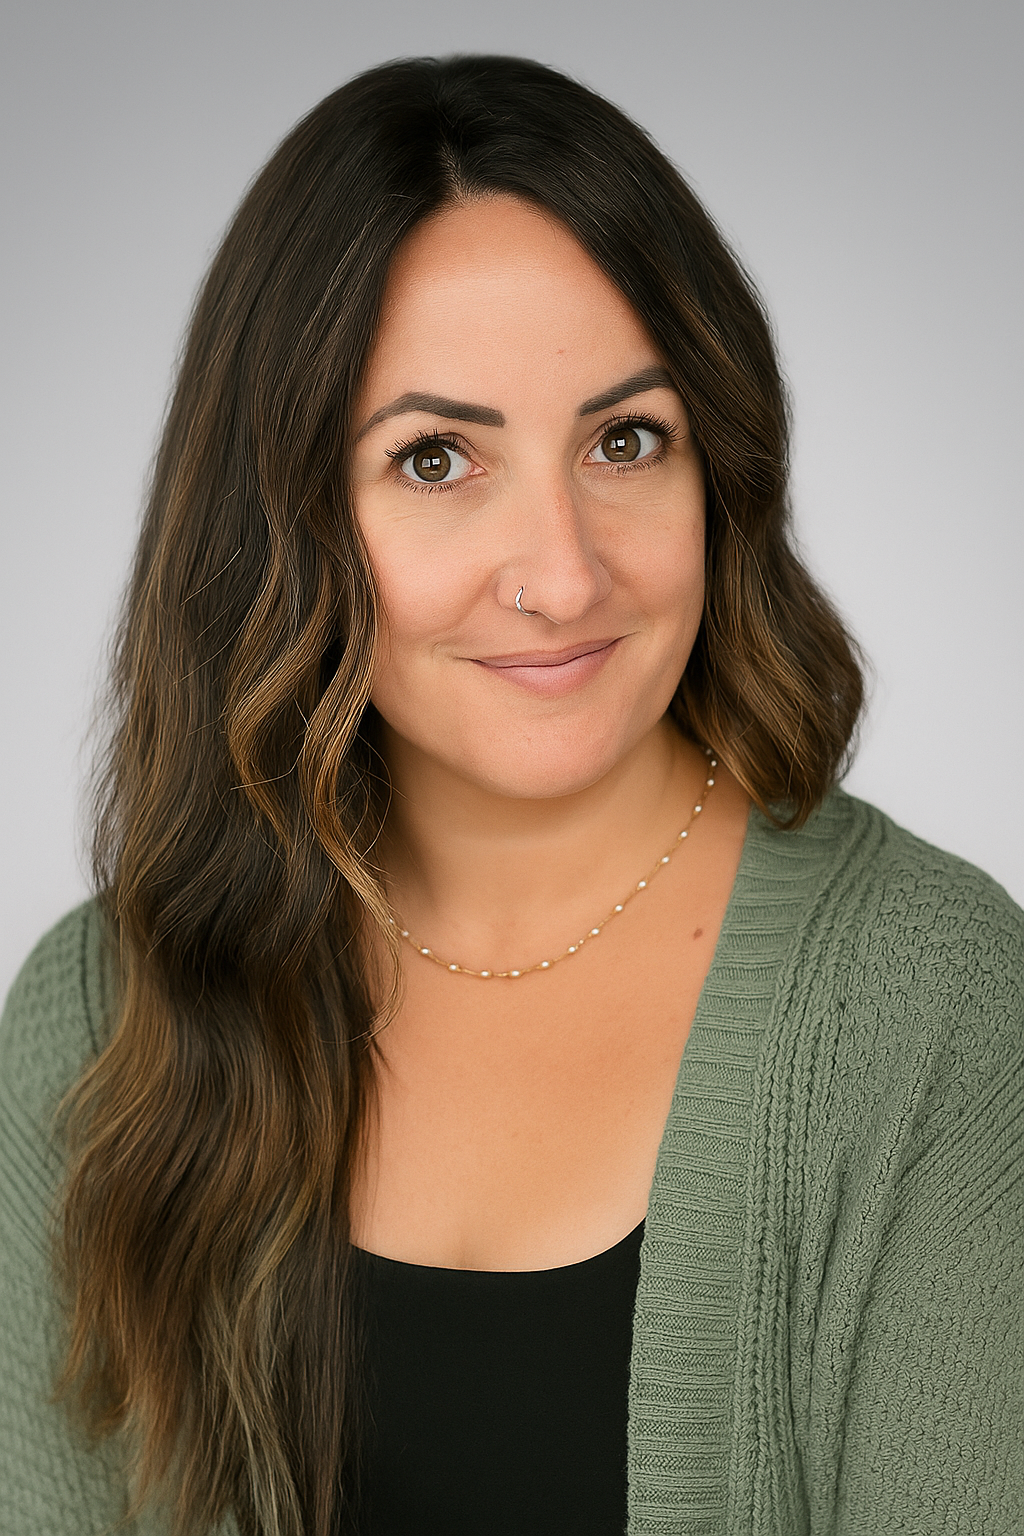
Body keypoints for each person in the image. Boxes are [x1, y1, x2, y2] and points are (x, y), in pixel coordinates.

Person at [0, 51, 1021, 1536]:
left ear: (720, 468)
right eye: (435, 459)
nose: (564, 574)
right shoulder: (99, 1016)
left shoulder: (934, 1005)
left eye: (625, 440)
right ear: (278, 521)